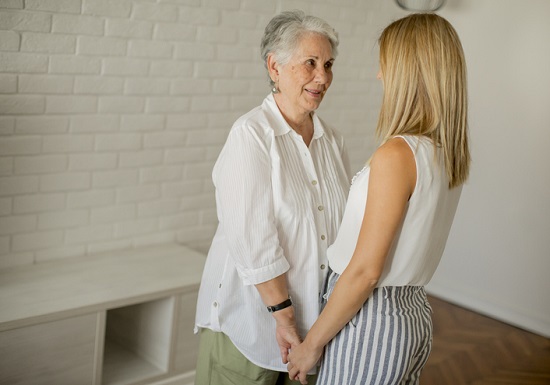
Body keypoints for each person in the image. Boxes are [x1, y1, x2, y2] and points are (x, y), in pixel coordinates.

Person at [287, 13, 471, 385]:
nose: (379, 75)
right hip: (410, 311)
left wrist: (311, 345)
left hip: (370, 320)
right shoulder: (444, 152)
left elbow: (365, 271)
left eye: (385, 65)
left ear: (409, 72)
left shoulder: (398, 155)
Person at [194, 10, 351, 385]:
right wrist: (284, 318)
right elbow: (254, 240)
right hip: (252, 326)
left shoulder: (333, 141)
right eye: (309, 63)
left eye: (328, 64)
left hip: (310, 335)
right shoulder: (251, 135)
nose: (323, 77)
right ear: (274, 66)